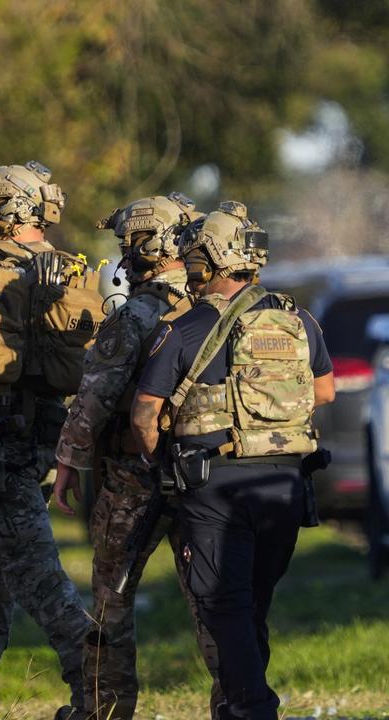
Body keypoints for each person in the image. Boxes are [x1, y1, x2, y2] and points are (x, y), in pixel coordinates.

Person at [130, 202, 335, 720]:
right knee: (253, 604)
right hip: (286, 487)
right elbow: (325, 391)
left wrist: (161, 465)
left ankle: (252, 708)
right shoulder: (298, 319)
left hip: (216, 487)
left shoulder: (186, 326)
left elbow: (145, 413)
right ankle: (243, 705)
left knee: (224, 607)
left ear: (207, 262)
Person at [51, 193, 220, 719]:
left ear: (137, 246)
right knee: (213, 601)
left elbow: (94, 398)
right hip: (204, 475)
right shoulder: (217, 309)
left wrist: (68, 463)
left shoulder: (136, 315)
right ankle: (237, 702)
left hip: (134, 479)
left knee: (110, 600)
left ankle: (106, 710)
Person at [0, 162, 96, 720]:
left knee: (37, 580)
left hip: (0, 447)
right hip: (34, 440)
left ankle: (100, 691)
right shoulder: (66, 271)